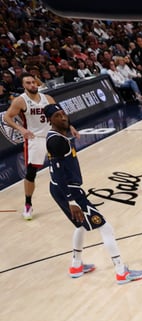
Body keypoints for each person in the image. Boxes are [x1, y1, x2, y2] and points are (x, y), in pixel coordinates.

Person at [44, 103, 142, 283]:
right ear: (50, 120)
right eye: (58, 116)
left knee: (80, 226)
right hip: (69, 191)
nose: (63, 117)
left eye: (64, 114)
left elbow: (65, 126)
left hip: (58, 189)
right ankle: (121, 271)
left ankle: (76, 265)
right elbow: (59, 173)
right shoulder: (56, 141)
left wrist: (71, 126)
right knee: (105, 227)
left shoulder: (57, 135)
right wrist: (71, 201)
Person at [2, 74, 68, 220]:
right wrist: (21, 129)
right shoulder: (20, 100)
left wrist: (70, 127)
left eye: (33, 82)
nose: (32, 85)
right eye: (28, 83)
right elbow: (6, 117)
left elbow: (60, 115)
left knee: (64, 165)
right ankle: (28, 204)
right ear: (23, 85)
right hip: (35, 139)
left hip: (51, 135)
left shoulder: (48, 98)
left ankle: (69, 194)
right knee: (31, 173)